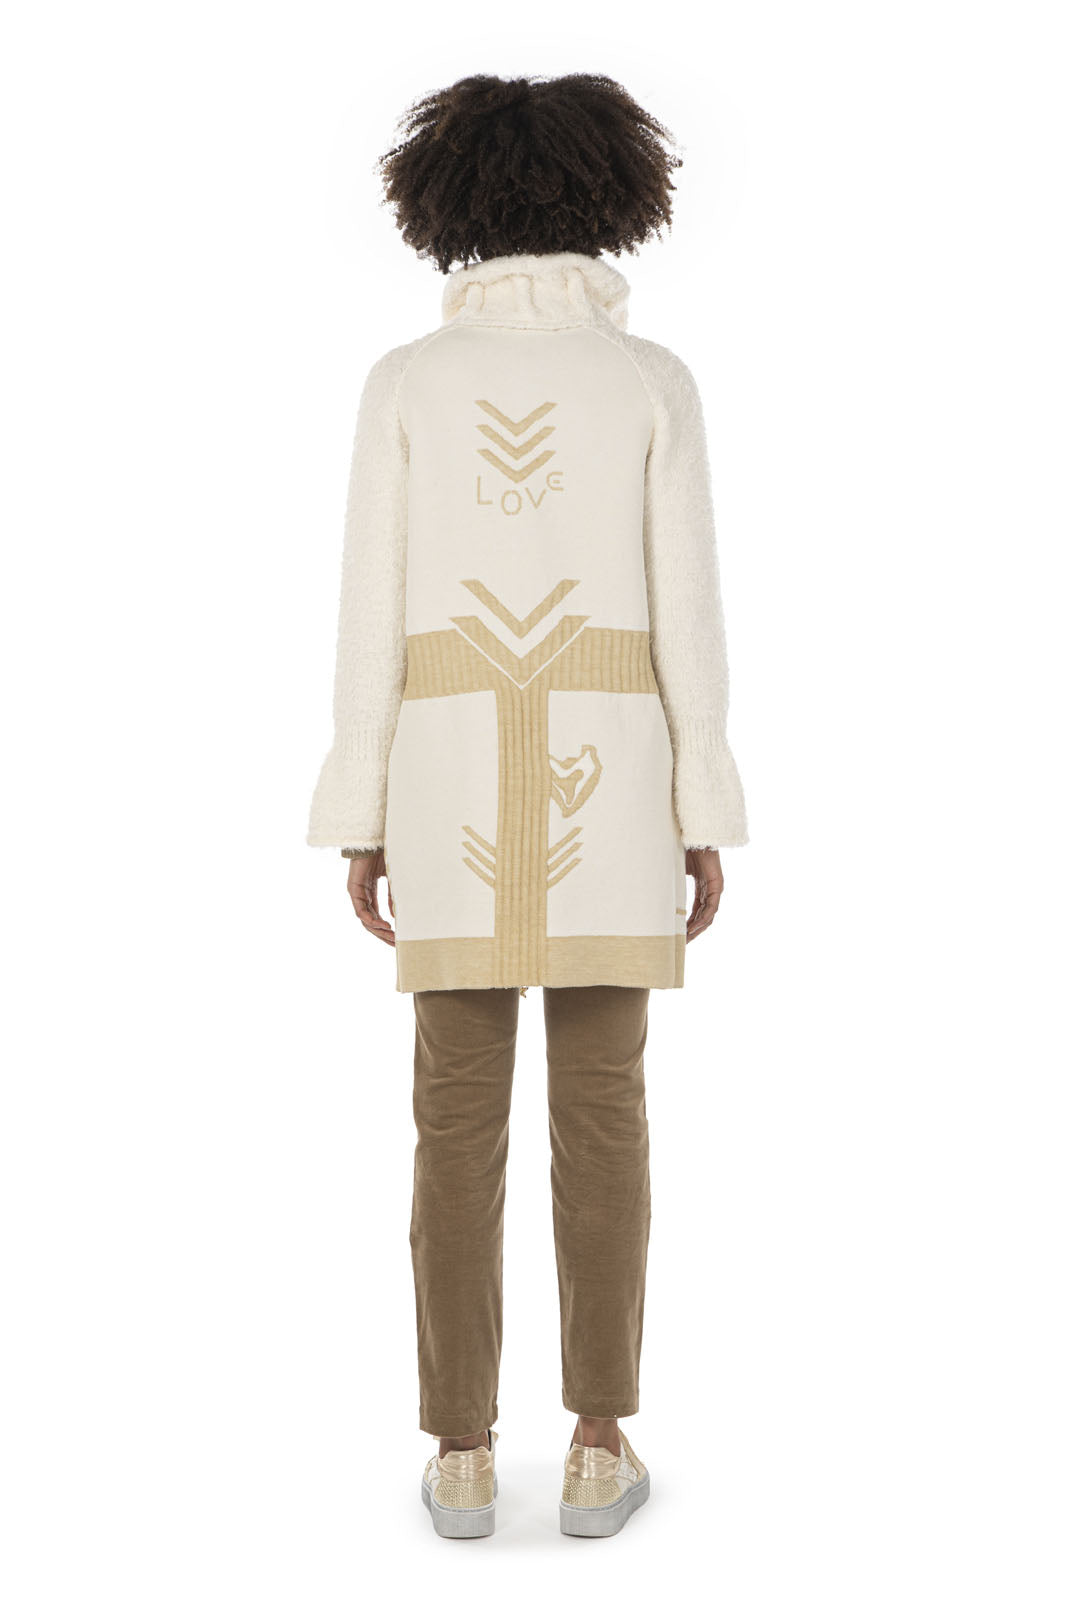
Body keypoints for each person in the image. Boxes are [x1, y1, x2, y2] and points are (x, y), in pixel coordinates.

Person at [308, 72, 748, 1539]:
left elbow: (368, 612)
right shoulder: (652, 381)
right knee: (606, 1112)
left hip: (442, 776)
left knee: (451, 1117)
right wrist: (700, 799)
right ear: (611, 196)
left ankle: (459, 1452)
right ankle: (598, 1443)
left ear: (448, 205)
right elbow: (690, 615)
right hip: (613, 776)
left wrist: (362, 805)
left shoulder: (403, 383)